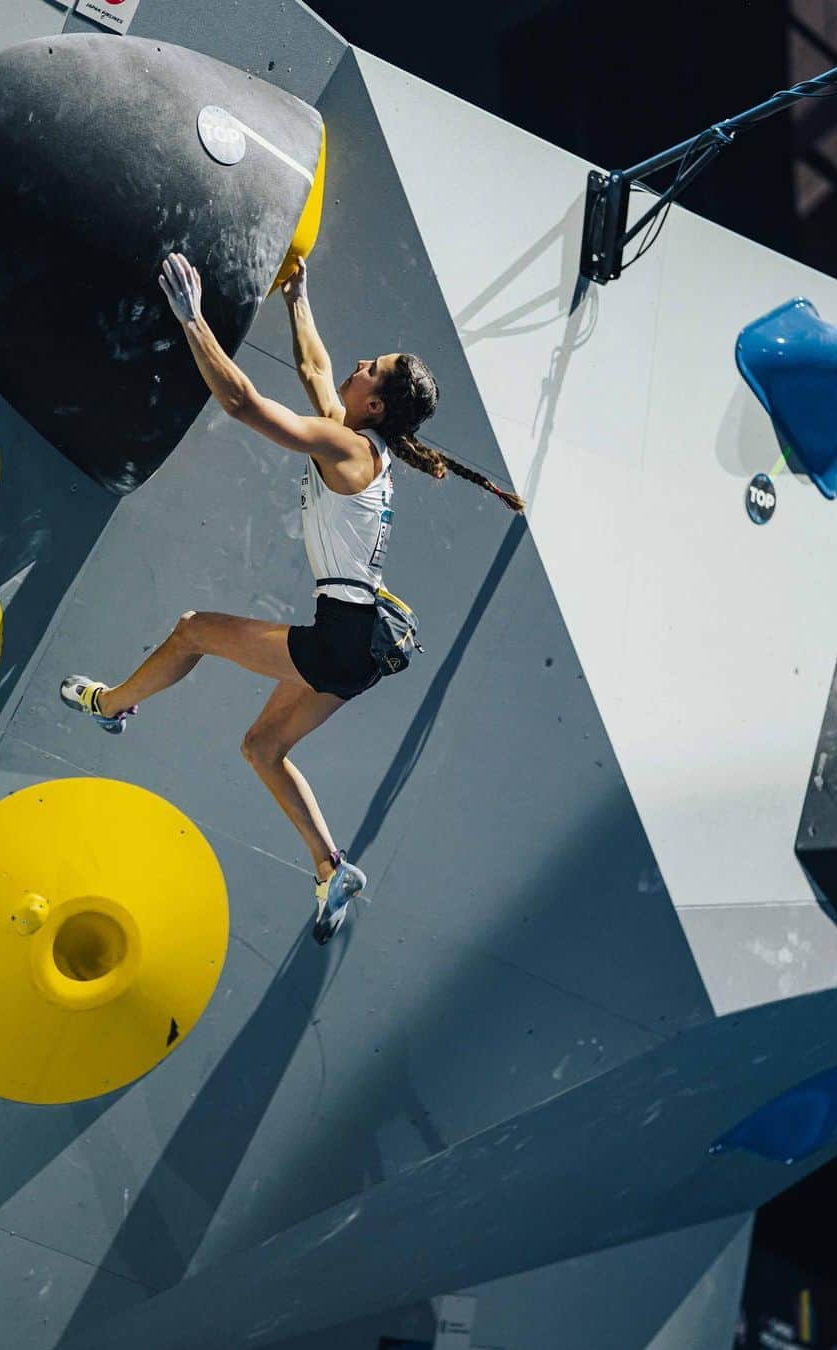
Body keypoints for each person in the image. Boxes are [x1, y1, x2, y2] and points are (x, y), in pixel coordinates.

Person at [61, 251, 523, 944]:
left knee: (192, 631)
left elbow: (244, 402)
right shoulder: (368, 445)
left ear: (373, 403)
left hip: (343, 638)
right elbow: (313, 369)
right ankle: (331, 866)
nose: (361, 361)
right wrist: (297, 298)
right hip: (363, 647)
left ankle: (109, 704)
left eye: (374, 368)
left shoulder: (347, 448)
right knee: (263, 746)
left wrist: (193, 321)